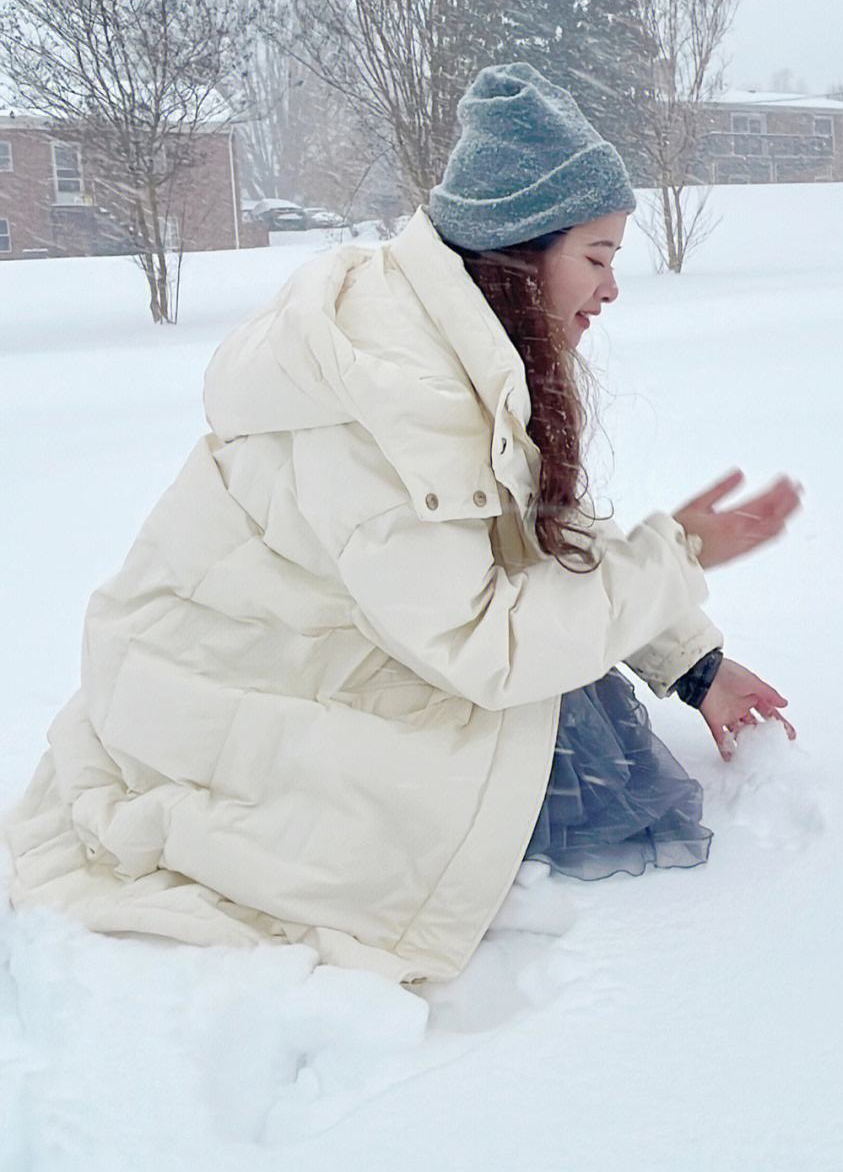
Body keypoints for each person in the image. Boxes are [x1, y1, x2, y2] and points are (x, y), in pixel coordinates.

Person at [2, 63, 800, 984]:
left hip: (357, 625)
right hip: (237, 670)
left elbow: (544, 532)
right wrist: (683, 553)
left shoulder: (455, 332)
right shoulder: (398, 396)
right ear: (514, 249)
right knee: (496, 768)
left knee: (567, 702)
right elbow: (482, 643)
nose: (612, 290)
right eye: (597, 257)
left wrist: (693, 663)